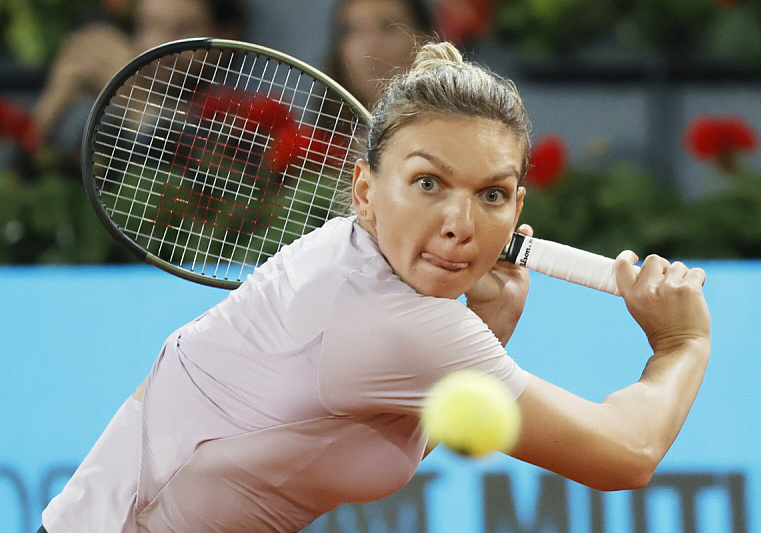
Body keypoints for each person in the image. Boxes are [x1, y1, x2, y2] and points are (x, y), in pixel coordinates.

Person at [39, 41, 711, 532]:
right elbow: (626, 453)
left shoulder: (352, 257)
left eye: (491, 194)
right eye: (428, 183)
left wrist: (491, 328)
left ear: (518, 204)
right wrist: (682, 344)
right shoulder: (398, 324)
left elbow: (354, 430)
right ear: (365, 190)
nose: (459, 224)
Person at [29, 0, 244, 177]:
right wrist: (53, 106)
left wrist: (132, 93)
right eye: (149, 26)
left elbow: (190, 164)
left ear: (226, 38)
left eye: (183, 31)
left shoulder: (237, 113)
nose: (161, 46)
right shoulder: (104, 103)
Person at [326, 0, 437, 110]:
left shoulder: (452, 124)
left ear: (425, 39)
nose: (370, 48)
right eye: (353, 30)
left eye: (389, 27)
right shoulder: (312, 127)